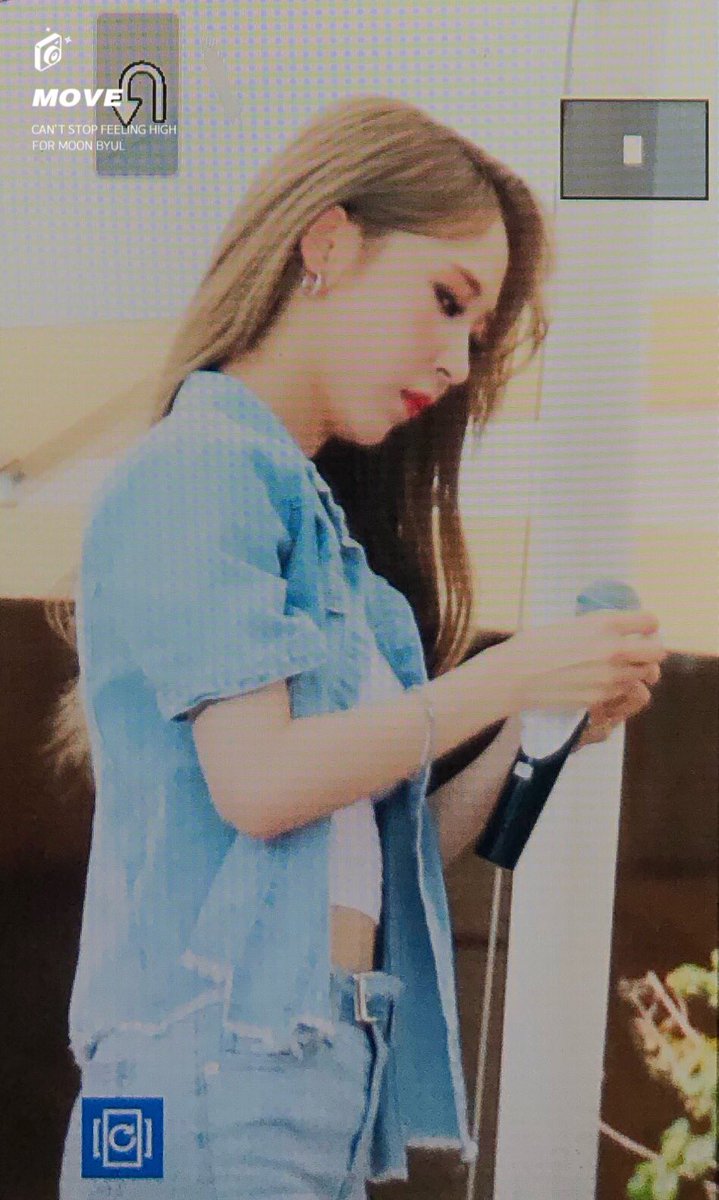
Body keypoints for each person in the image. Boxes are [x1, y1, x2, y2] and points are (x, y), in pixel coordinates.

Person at [48, 95, 665, 1199]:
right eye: (446, 300)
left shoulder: (347, 572)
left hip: (308, 1077)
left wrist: (532, 724)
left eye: (475, 333)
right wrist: (507, 671)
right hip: (196, 1077)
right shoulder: (200, 466)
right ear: (327, 244)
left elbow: (386, 852)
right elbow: (260, 783)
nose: (458, 361)